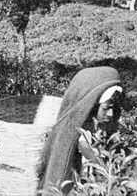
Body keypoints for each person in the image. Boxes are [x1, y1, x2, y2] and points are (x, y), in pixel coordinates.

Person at [38, 66, 124, 195]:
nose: (110, 114)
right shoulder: (83, 129)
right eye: (106, 108)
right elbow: (92, 157)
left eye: (113, 108)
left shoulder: (103, 126)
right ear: (94, 106)